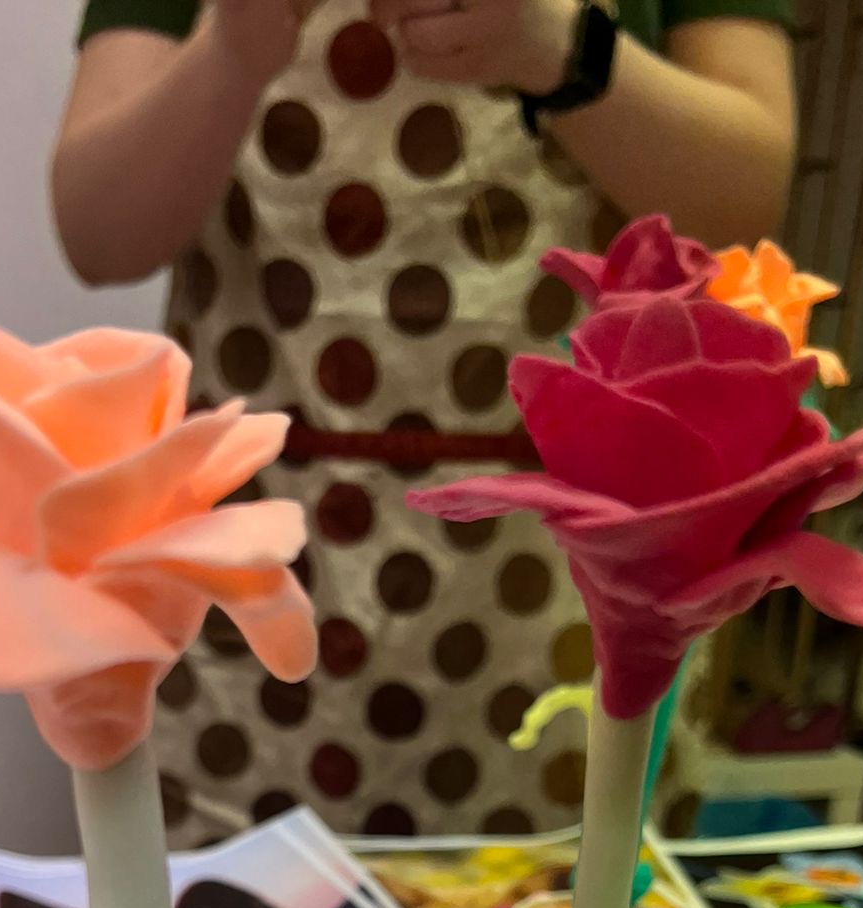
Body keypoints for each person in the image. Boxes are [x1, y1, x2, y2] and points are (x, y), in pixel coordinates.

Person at [52, 0, 797, 845]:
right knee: (237, 907)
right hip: (252, 557)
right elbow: (98, 235)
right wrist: (231, 50)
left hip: (564, 568)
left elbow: (745, 201)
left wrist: (561, 50)